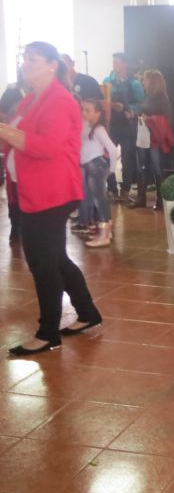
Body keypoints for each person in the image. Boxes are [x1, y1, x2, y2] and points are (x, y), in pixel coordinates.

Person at [0, 41, 103, 356]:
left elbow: (47, 146)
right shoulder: (30, 98)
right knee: (55, 258)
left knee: (42, 263)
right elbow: (14, 141)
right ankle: (87, 313)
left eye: (33, 59)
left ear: (52, 65)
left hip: (51, 192)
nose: (26, 64)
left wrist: (4, 130)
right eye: (25, 58)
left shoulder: (59, 100)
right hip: (32, 189)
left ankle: (48, 334)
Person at [129, 69, 174, 210]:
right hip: (144, 135)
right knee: (142, 166)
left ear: (152, 81)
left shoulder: (162, 98)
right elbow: (145, 112)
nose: (143, 81)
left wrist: (150, 119)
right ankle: (141, 198)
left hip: (155, 138)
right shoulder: (147, 96)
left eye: (145, 79)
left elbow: (168, 118)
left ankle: (161, 200)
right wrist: (135, 114)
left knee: (157, 168)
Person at [103, 52, 144, 201]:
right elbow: (102, 100)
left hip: (128, 126)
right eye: (113, 62)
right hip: (111, 125)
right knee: (108, 157)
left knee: (127, 158)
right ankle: (111, 189)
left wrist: (130, 110)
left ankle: (126, 190)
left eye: (117, 62)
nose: (114, 65)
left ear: (125, 64)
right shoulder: (107, 81)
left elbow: (142, 104)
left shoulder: (135, 84)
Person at [77, 99, 117, 247]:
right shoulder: (86, 125)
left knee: (99, 201)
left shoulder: (99, 129)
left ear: (98, 113)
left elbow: (112, 149)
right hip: (89, 166)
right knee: (98, 200)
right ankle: (106, 232)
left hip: (96, 167)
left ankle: (104, 235)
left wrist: (112, 168)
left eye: (88, 110)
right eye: (82, 109)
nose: (83, 113)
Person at [0, 73, 25, 242]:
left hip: (27, 154)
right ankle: (16, 227)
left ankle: (21, 226)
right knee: (13, 192)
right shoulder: (12, 93)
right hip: (13, 150)